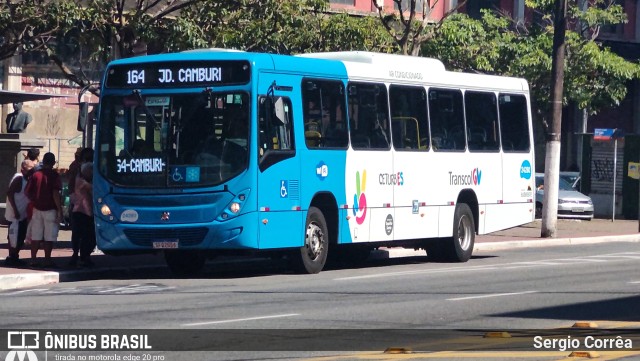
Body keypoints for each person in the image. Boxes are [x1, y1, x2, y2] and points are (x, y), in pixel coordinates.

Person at [24, 152, 63, 268]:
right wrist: (59, 209)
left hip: (37, 208)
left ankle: (33, 259)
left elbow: (27, 191)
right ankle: (47, 260)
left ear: (44, 161)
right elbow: (55, 193)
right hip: (51, 209)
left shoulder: (36, 175)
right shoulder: (55, 176)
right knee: (49, 237)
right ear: (53, 163)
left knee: (35, 236)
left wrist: (35, 200)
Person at [4, 160, 35, 267]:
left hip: (23, 214)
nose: (32, 171)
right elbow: (10, 193)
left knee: (20, 236)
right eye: (30, 169)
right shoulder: (19, 179)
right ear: (23, 169)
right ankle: (12, 257)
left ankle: (15, 256)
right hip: (16, 215)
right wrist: (16, 210)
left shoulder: (28, 179)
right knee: (14, 236)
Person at [70, 162, 95, 267]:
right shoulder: (82, 182)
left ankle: (79, 256)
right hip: (83, 211)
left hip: (79, 210)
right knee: (85, 235)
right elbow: (94, 189)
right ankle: (82, 256)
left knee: (79, 235)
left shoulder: (79, 179)